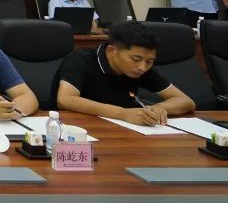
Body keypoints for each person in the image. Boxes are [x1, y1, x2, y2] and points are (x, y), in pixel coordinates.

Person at [53, 20, 195, 125]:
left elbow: (186, 101)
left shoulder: (141, 68)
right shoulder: (81, 59)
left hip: (120, 129)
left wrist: (157, 108)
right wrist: (123, 114)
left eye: (150, 61)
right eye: (135, 59)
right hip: (75, 127)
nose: (142, 67)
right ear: (112, 50)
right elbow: (65, 99)